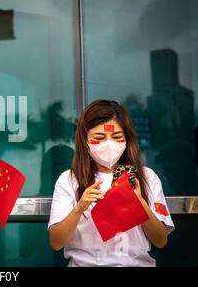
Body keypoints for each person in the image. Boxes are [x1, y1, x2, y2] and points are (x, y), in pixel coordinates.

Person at [47, 99, 174, 266]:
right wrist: (80, 207)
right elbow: (56, 242)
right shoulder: (69, 180)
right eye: (99, 137)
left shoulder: (146, 177)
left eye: (117, 137)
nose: (109, 143)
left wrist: (140, 203)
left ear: (127, 139)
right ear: (85, 141)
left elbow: (160, 240)